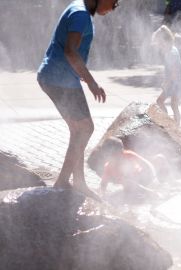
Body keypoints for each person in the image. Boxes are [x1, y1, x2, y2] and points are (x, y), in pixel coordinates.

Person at [36, 0, 119, 201]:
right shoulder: (81, 14)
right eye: (114, 1)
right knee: (85, 128)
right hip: (60, 79)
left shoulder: (79, 8)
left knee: (78, 131)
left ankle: (79, 181)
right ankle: (63, 182)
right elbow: (70, 51)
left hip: (56, 77)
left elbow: (72, 51)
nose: (115, 6)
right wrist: (91, 83)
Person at [152, 25, 181, 124]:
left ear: (165, 40)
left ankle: (169, 123)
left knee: (160, 102)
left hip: (175, 83)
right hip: (177, 82)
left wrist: (167, 83)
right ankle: (176, 125)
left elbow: (174, 72)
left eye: (159, 42)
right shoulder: (172, 49)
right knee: (174, 105)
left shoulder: (171, 53)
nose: (158, 45)